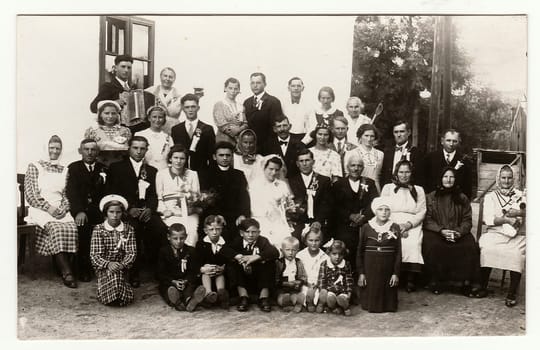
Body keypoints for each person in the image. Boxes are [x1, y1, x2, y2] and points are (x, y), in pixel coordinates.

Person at [107, 136, 168, 287]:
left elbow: (154, 194)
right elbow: (112, 193)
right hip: (126, 212)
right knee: (133, 230)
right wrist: (127, 209)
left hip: (146, 211)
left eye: (142, 148)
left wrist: (150, 209)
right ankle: (133, 272)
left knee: (160, 229)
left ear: (146, 150)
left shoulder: (152, 170)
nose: (139, 151)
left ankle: (158, 270)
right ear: (129, 149)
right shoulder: (116, 168)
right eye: (135, 148)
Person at [25, 135, 79, 288]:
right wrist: (49, 208)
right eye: (51, 148)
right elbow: (31, 194)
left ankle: (60, 264)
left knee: (72, 227)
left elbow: (67, 195)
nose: (54, 151)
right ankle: (67, 272)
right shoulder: (34, 166)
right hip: (40, 208)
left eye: (57, 149)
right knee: (55, 228)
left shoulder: (64, 170)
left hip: (59, 207)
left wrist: (63, 208)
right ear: (45, 148)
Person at [422, 167, 481, 295]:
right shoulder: (431, 197)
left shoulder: (462, 198)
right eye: (445, 176)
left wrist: (458, 232)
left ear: (455, 179)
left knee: (469, 246)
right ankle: (436, 281)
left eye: (451, 177)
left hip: (457, 232)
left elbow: (467, 220)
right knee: (434, 245)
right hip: (437, 232)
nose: (448, 180)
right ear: (440, 178)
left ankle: (464, 283)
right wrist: (441, 231)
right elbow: (427, 219)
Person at [477, 165, 526, 306]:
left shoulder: (520, 195)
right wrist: (506, 219)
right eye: (503, 178)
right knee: (487, 249)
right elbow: (489, 220)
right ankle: (483, 286)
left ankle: (512, 293)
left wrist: (519, 213)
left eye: (509, 178)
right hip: (495, 233)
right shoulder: (491, 196)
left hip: (516, 236)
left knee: (516, 254)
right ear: (498, 178)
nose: (506, 181)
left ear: (514, 179)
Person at [380, 160, 426, 292]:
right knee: (391, 240)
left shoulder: (419, 190)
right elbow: (382, 207)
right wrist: (395, 226)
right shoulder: (388, 188)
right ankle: (389, 275)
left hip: (412, 223)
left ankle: (410, 278)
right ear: (396, 173)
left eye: (407, 172)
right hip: (390, 220)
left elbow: (421, 211)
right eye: (401, 172)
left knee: (412, 243)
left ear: (411, 173)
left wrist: (407, 225)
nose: (404, 175)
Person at [66, 138, 108, 282]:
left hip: (99, 209)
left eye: (93, 150)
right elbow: (72, 192)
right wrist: (78, 211)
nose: (90, 153)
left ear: (97, 152)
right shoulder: (74, 168)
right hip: (81, 208)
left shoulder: (103, 168)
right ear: (80, 151)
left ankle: (102, 266)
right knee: (83, 228)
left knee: (103, 229)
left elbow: (107, 192)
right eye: (86, 149)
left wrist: (106, 211)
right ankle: (83, 267)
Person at [330, 153, 378, 277]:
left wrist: (364, 217)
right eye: (353, 165)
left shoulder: (370, 183)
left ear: (363, 168)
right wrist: (349, 216)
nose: (356, 168)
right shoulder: (338, 184)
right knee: (345, 240)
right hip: (344, 223)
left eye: (359, 166)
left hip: (364, 223)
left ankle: (363, 273)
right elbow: (334, 206)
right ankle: (345, 274)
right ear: (347, 167)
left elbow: (375, 203)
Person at [221, 218, 279, 312]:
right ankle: (243, 296)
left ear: (259, 232)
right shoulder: (237, 241)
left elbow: (275, 252)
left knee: (269, 262)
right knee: (231, 264)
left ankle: (264, 297)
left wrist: (257, 257)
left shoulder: (263, 241)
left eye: (254, 232)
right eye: (247, 232)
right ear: (241, 233)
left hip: (258, 277)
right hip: (243, 277)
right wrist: (238, 256)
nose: (251, 235)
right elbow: (224, 250)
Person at [90, 195, 136, 306]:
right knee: (112, 275)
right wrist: (108, 264)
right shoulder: (99, 229)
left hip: (122, 266)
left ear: (122, 213)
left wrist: (122, 264)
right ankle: (111, 297)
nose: (115, 216)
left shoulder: (128, 229)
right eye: (111, 212)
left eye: (118, 212)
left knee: (118, 275)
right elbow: (95, 255)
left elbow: (131, 252)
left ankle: (120, 296)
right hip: (104, 266)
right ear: (106, 213)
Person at [200, 142, 251, 243]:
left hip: (235, 215)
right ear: (214, 157)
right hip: (214, 214)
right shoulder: (206, 175)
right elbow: (205, 200)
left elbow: (244, 197)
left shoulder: (238, 175)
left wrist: (243, 214)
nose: (224, 158)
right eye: (221, 155)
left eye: (228, 155)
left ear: (232, 156)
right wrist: (216, 215)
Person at [357, 197, 402, 313]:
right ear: (375, 211)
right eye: (380, 209)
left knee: (387, 299)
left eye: (387, 209)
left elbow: (398, 252)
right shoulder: (366, 227)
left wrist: (395, 273)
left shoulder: (394, 227)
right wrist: (361, 273)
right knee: (371, 295)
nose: (384, 212)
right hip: (370, 268)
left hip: (387, 268)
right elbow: (360, 252)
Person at [155, 145, 201, 247]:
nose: (178, 161)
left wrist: (191, 207)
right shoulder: (161, 174)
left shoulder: (193, 174)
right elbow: (159, 198)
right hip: (170, 211)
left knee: (191, 232)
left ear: (186, 160)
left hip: (189, 212)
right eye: (176, 158)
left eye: (182, 158)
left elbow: (196, 196)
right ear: (170, 158)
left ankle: (188, 258)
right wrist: (164, 211)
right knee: (175, 233)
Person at [157, 223, 206, 312]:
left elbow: (193, 271)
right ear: (168, 237)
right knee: (166, 289)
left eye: (182, 238)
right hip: (171, 281)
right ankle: (176, 301)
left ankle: (190, 301)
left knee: (190, 287)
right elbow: (160, 272)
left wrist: (186, 280)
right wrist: (173, 281)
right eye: (175, 238)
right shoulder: (163, 251)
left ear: (186, 237)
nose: (179, 241)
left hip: (186, 280)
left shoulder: (191, 251)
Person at [288, 148, 333, 242]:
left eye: (307, 160)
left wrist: (319, 221)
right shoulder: (291, 181)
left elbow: (327, 204)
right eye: (301, 161)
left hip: (317, 221)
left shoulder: (324, 180)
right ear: (297, 164)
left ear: (313, 162)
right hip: (298, 222)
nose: (304, 164)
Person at [248, 155, 293, 246]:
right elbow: (253, 205)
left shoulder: (282, 185)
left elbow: (286, 204)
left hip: (278, 219)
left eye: (277, 170)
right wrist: (267, 212)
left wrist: (286, 209)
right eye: (271, 169)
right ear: (264, 168)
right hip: (261, 218)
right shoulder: (255, 184)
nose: (273, 172)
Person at [171, 93, 216, 176]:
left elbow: (212, 156)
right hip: (181, 173)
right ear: (183, 109)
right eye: (187, 107)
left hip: (201, 173)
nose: (190, 110)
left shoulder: (207, 129)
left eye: (193, 107)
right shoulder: (176, 129)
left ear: (198, 108)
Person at [424, 129, 472, 199]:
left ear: (459, 142)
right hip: (434, 201)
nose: (451, 144)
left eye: (454, 141)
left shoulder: (465, 161)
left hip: (456, 201)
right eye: (448, 140)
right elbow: (425, 181)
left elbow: (468, 187)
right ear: (442, 141)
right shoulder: (430, 158)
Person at [195, 215, 230, 309]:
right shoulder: (201, 244)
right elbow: (196, 261)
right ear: (206, 231)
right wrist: (203, 269)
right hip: (206, 273)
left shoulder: (225, 244)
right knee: (205, 275)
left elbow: (229, 259)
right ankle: (209, 294)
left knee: (220, 275)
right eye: (211, 229)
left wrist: (223, 268)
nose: (215, 232)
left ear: (221, 229)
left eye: (218, 229)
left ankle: (221, 293)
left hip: (219, 272)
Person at [243, 72, 283, 149]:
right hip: (250, 146)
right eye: (252, 83)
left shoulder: (273, 101)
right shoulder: (247, 102)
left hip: (267, 145)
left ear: (265, 84)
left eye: (258, 83)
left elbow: (275, 127)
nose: (255, 85)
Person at [84, 100, 132, 165]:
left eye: (113, 113)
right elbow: (87, 151)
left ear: (117, 115)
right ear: (100, 114)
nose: (110, 116)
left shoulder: (125, 131)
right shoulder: (92, 131)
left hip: (120, 166)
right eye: (106, 113)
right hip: (98, 166)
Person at [296, 222, 328, 313]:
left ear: (321, 241)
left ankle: (317, 303)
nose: (314, 243)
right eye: (311, 240)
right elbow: (298, 273)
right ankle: (306, 302)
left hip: (318, 285)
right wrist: (305, 282)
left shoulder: (324, 257)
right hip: (305, 284)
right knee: (302, 294)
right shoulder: (300, 255)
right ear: (305, 241)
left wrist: (318, 284)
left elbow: (325, 275)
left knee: (322, 294)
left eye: (317, 240)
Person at [316, 240, 354, 316]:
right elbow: (322, 279)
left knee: (342, 298)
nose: (337, 257)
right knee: (330, 297)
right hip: (330, 290)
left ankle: (345, 307)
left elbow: (348, 279)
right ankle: (333, 307)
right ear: (329, 253)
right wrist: (322, 290)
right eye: (334, 254)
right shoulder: (324, 264)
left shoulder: (346, 264)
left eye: (340, 254)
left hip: (342, 290)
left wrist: (349, 292)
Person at [381, 120, 424, 187]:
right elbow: (383, 175)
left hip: (409, 190)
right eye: (396, 132)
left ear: (409, 132)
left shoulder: (416, 152)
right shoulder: (387, 152)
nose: (398, 135)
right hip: (390, 190)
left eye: (402, 131)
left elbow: (419, 176)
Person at [344, 123, 384, 193]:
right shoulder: (351, 153)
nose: (369, 139)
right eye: (366, 136)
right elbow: (347, 175)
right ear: (360, 136)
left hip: (375, 189)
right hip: (357, 188)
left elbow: (378, 176)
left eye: (372, 136)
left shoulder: (380, 154)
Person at [144, 67, 183, 133]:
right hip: (153, 128)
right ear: (160, 77)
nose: (167, 79)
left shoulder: (179, 96)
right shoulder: (150, 91)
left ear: (174, 79)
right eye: (165, 76)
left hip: (171, 129)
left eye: (170, 77)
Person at [135, 105, 174, 170]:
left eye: (160, 117)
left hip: (164, 171)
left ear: (164, 119)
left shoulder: (168, 137)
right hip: (145, 170)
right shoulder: (140, 134)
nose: (157, 120)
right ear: (149, 118)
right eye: (154, 117)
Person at [275, 236, 308, 313]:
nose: (290, 253)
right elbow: (275, 279)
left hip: (294, 288)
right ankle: (285, 303)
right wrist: (285, 283)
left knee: (295, 297)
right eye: (287, 250)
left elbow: (303, 276)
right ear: (282, 250)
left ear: (297, 251)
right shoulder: (279, 263)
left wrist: (299, 282)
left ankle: (298, 303)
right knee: (281, 298)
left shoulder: (298, 262)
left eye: (293, 250)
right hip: (282, 289)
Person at [213, 77, 248, 145]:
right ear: (225, 88)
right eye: (230, 88)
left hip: (239, 141)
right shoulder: (219, 104)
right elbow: (221, 124)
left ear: (239, 90)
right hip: (223, 140)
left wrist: (239, 130)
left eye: (235, 88)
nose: (233, 91)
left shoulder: (241, 106)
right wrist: (234, 131)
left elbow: (245, 123)